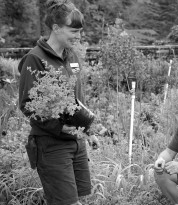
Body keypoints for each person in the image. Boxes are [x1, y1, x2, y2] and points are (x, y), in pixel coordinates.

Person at [18, 1, 93, 204]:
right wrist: (60, 126)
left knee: (78, 199)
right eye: (74, 31)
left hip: (76, 141)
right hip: (51, 144)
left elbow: (78, 96)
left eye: (80, 31)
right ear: (56, 28)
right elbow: (27, 104)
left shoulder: (72, 56)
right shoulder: (35, 59)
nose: (78, 36)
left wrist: (87, 127)